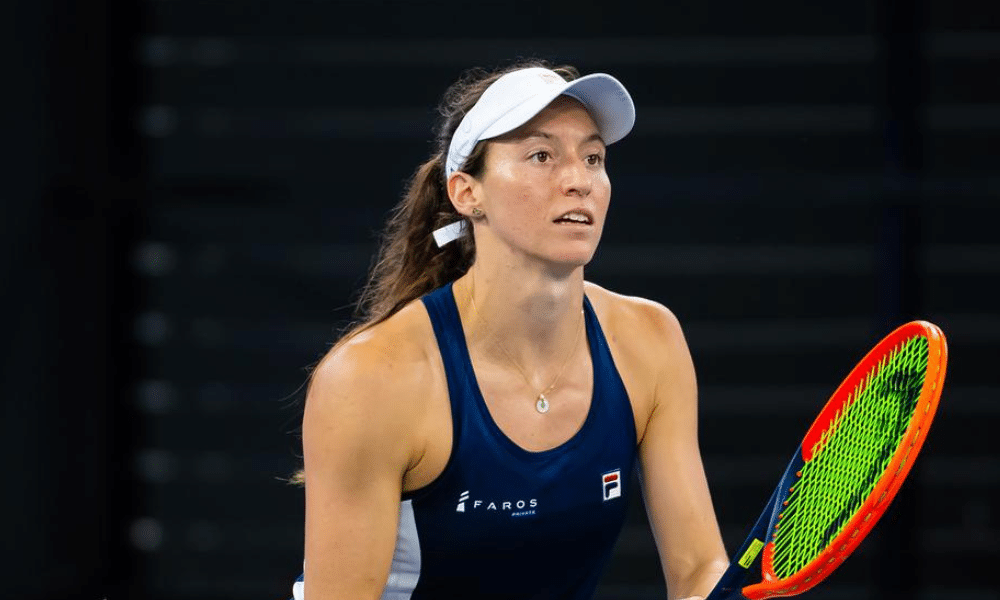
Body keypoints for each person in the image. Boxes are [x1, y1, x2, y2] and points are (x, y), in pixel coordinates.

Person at [289, 60, 729, 600]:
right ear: (466, 193)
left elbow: (700, 572)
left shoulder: (651, 341)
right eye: (541, 155)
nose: (578, 180)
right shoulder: (371, 379)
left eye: (593, 157)